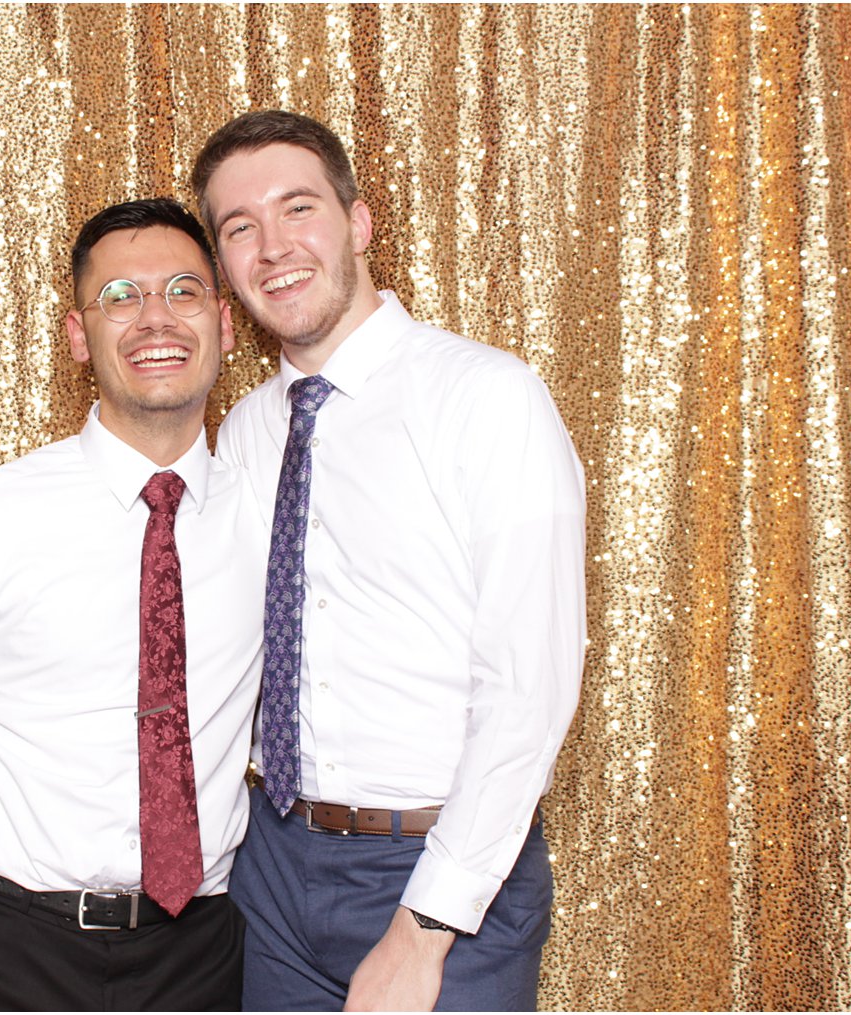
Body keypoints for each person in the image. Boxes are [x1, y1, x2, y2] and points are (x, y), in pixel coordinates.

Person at [191, 110, 588, 1012]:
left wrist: (425, 924)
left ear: (359, 223)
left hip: (442, 868)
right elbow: (201, 632)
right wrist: (20, 717)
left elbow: (529, 686)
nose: (273, 247)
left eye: (299, 209)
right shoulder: (249, 430)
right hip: (270, 866)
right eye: (239, 227)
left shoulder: (487, 398)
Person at [0, 197, 268, 1011]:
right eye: (121, 297)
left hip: (200, 957)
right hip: (0, 945)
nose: (155, 319)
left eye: (182, 291)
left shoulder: (268, 513)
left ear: (222, 320)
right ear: (79, 336)